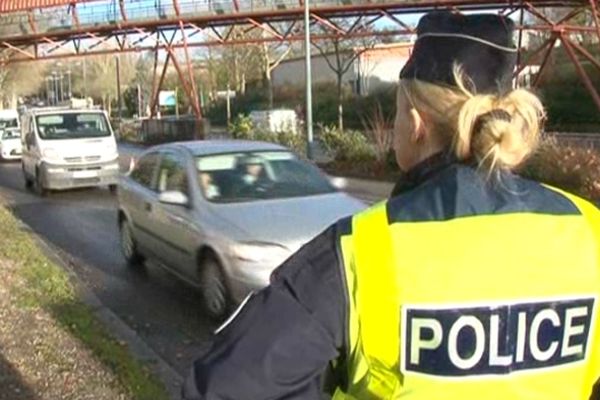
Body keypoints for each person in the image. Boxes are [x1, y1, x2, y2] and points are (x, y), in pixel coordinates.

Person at [183, 11, 600, 400]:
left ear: (416, 124)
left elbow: (223, 386)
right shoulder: (588, 230)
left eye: (397, 110)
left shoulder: (359, 253)